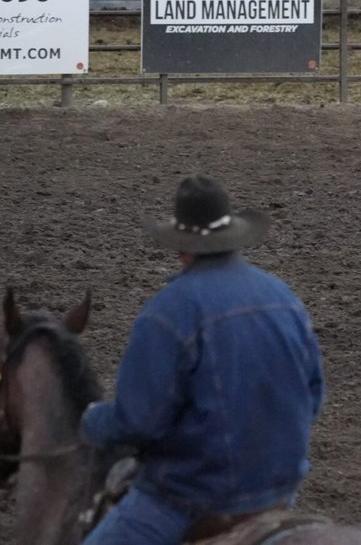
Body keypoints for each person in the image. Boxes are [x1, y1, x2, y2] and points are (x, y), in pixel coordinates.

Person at [81, 175, 325, 545]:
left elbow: (139, 422)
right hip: (277, 490)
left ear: (181, 247)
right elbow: (313, 395)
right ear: (233, 236)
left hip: (194, 496)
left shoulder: (167, 313)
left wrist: (91, 420)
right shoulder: (283, 297)